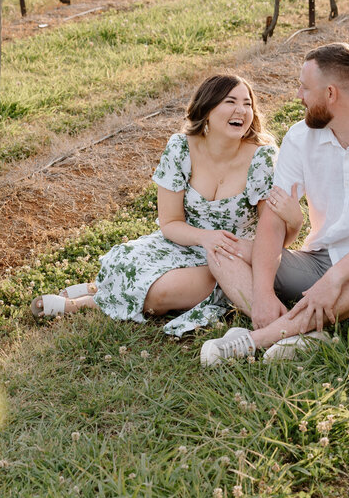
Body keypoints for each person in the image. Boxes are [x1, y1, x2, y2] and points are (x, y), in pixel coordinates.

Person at [199, 43, 349, 365]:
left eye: (305, 88)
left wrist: (335, 280)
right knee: (222, 249)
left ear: (330, 93)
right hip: (319, 261)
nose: (298, 96)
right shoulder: (300, 137)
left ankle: (256, 340)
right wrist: (262, 292)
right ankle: (303, 333)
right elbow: (274, 218)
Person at [30, 75, 302, 336]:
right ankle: (100, 287)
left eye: (247, 104)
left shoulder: (262, 157)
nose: (241, 111)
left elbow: (273, 237)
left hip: (229, 257)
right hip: (185, 241)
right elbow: (171, 223)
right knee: (122, 260)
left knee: (160, 294)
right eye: (230, 102)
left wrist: (294, 222)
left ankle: (87, 302)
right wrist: (205, 237)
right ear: (207, 109)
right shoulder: (181, 148)